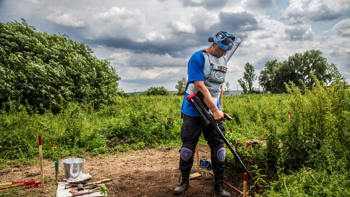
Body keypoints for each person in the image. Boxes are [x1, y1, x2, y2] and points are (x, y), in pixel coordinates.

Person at [173, 31, 235, 197]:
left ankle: (219, 186)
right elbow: (200, 86)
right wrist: (214, 110)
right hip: (194, 108)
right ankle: (184, 182)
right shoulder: (198, 58)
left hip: (213, 107)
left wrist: (219, 107)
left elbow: (218, 87)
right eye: (221, 49)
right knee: (187, 148)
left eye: (226, 50)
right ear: (213, 44)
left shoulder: (223, 61)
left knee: (219, 148)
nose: (223, 53)